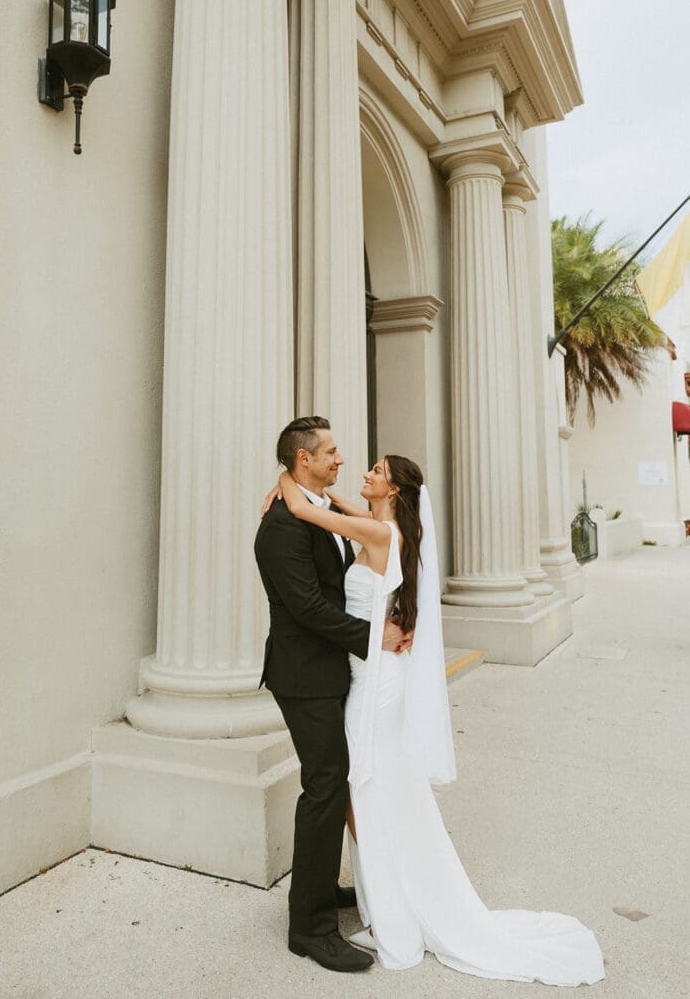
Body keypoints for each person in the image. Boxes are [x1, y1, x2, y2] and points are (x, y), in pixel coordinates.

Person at [266, 450, 606, 986]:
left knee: (367, 786)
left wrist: (288, 479)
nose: (366, 473)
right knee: (365, 787)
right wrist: (311, 488)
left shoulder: (381, 535)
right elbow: (337, 504)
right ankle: (387, 891)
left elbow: (312, 512)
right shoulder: (384, 526)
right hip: (367, 674)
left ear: (395, 490)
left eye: (378, 472)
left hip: (376, 683)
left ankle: (395, 902)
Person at [254, 417, 412, 974]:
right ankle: (310, 928)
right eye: (331, 452)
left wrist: (287, 484)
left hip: (333, 672)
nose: (341, 459)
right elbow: (308, 608)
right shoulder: (281, 526)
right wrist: (375, 638)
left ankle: (320, 888)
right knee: (324, 787)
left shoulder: (313, 507)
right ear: (304, 459)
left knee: (336, 783)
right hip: (303, 677)